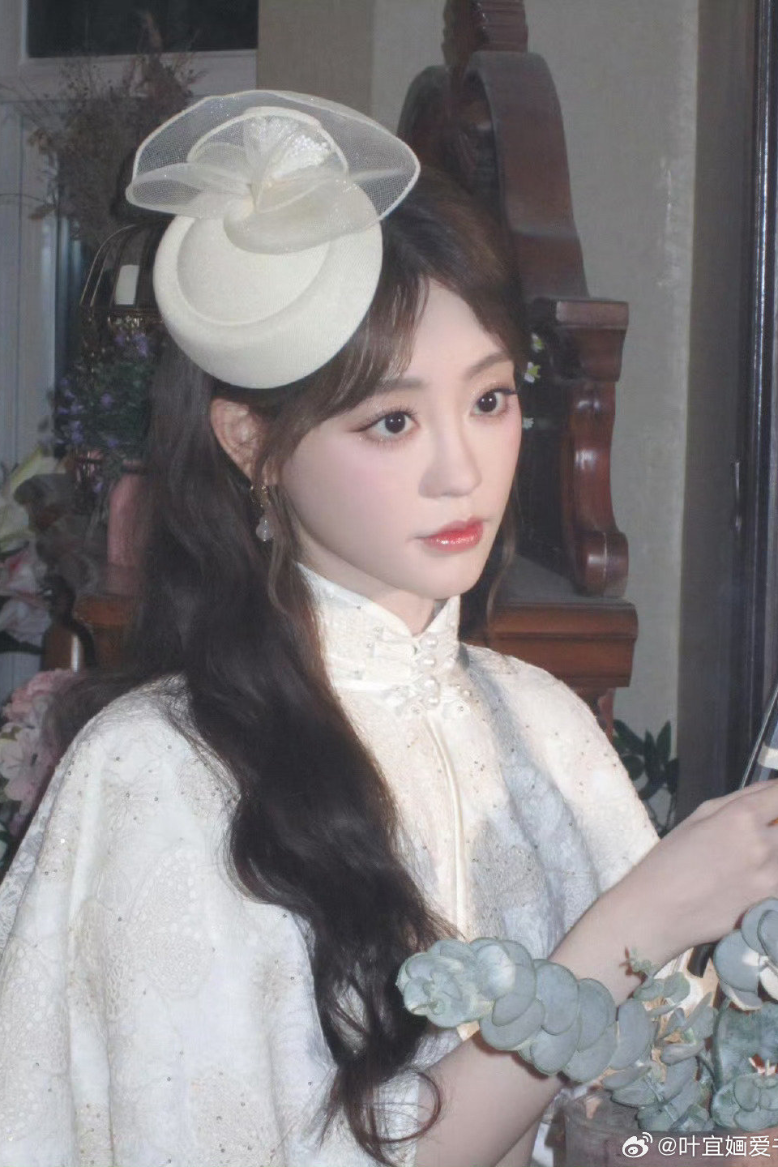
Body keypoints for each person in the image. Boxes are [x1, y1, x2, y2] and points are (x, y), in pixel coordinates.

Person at [1, 91, 778, 1167]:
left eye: (490, 400)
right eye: (393, 421)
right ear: (252, 442)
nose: (462, 470)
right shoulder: (158, 774)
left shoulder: (543, 722)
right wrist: (631, 928)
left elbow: (663, 1112)